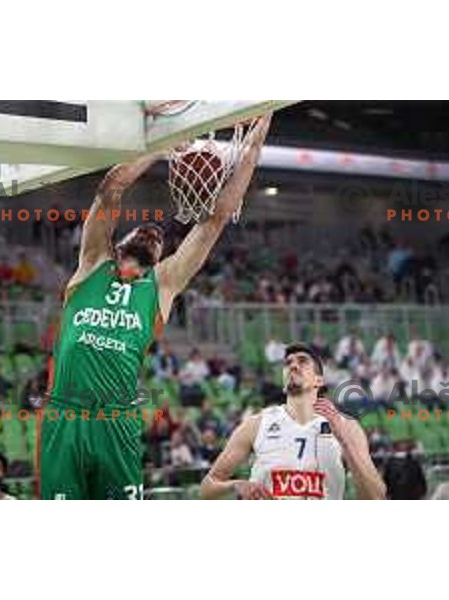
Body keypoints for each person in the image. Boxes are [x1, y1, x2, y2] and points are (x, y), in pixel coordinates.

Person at [41, 114, 273, 500]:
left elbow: (214, 221)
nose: (154, 234)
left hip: (117, 421)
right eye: (144, 231)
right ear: (119, 242)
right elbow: (110, 189)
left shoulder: (162, 285)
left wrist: (250, 150)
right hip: (66, 418)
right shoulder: (93, 263)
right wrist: (159, 145)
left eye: (159, 238)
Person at [200, 343, 386, 500]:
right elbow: (207, 488)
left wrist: (346, 442)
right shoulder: (256, 424)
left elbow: (376, 496)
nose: (293, 365)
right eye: (288, 362)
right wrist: (236, 485)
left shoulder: (346, 426)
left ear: (318, 380)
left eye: (302, 361)